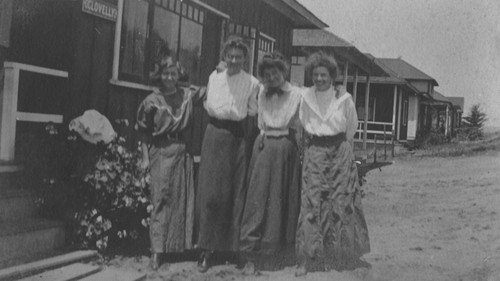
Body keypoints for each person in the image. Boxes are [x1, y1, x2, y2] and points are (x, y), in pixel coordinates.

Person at [295, 51, 370, 276]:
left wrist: (339, 147)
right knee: (312, 201)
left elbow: (351, 127)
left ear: (332, 76)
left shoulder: (343, 98)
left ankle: (342, 256)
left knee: (342, 200)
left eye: (324, 75)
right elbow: (302, 124)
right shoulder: (305, 97)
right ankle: (308, 258)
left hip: (340, 150)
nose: (320, 79)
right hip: (315, 150)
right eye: (316, 75)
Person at [196, 36, 261, 273]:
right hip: (214, 134)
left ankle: (234, 250)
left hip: (237, 138)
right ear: (224, 57)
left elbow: (253, 112)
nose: (234, 60)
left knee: (235, 193)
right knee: (212, 193)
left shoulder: (252, 82)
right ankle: (206, 250)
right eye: (230, 56)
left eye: (239, 57)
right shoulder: (215, 77)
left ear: (245, 59)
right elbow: (208, 104)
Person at [136, 60, 205, 270]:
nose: (169, 78)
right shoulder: (151, 101)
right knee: (161, 199)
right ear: (160, 75)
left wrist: (221, 69)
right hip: (161, 150)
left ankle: (177, 247)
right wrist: (146, 158)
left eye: (173, 73)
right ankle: (157, 251)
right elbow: (143, 132)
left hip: (181, 151)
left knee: (182, 199)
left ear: (179, 74)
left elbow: (210, 90)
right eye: (165, 74)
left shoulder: (187, 95)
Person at [239, 52, 301, 274]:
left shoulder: (297, 94)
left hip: (285, 147)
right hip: (263, 144)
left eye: (275, 72)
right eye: (267, 74)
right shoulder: (261, 92)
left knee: (279, 199)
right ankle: (250, 254)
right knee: (256, 198)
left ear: (283, 71)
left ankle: (273, 254)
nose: (271, 77)